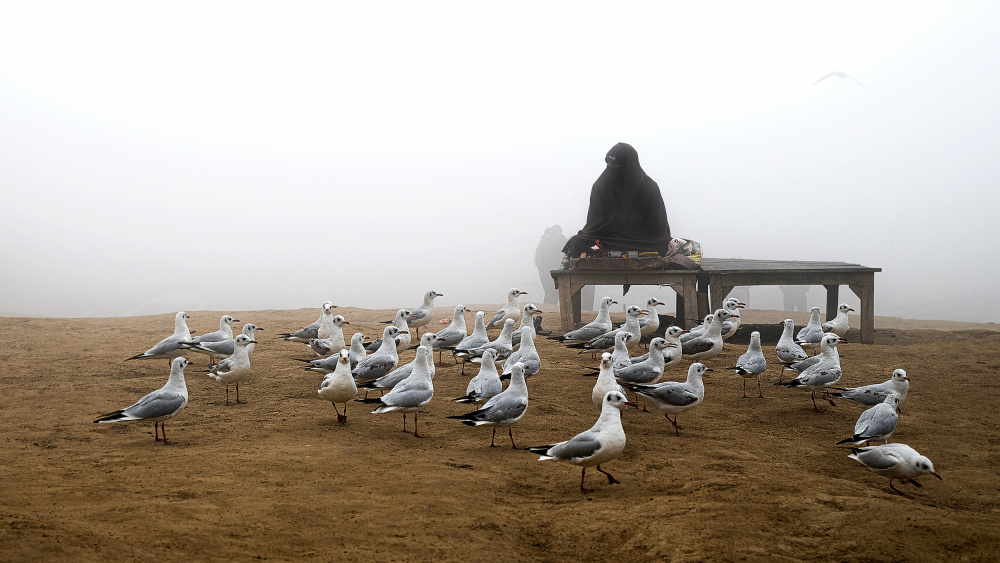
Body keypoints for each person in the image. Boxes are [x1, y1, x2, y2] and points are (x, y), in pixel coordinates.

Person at [562, 143, 671, 257]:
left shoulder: (649, 188)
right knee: (578, 242)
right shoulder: (600, 187)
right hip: (608, 240)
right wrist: (615, 221)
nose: (610, 167)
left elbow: (659, 228)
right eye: (608, 163)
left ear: (628, 165)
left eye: (614, 163)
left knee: (663, 244)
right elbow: (593, 224)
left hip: (641, 242)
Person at [535, 225, 594, 308]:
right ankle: (559, 312)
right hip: (557, 272)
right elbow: (568, 254)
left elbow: (538, 260)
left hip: (544, 273)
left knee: (550, 295)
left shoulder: (543, 242)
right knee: (562, 294)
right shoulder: (562, 240)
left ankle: (547, 312)